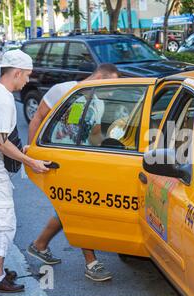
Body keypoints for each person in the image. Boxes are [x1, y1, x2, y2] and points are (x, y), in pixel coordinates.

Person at [26, 63, 119, 282]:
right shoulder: (63, 90)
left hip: (80, 162)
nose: (111, 92)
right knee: (79, 209)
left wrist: (113, 151)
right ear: (99, 78)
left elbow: (94, 136)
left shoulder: (98, 103)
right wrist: (32, 155)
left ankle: (40, 244)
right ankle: (91, 262)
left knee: (70, 209)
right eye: (110, 86)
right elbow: (37, 118)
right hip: (57, 161)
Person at [0, 49, 50, 293]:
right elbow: (0, 142)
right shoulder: (3, 99)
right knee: (3, 225)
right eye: (26, 76)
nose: (27, 81)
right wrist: (30, 161)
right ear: (16, 73)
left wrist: (22, 149)